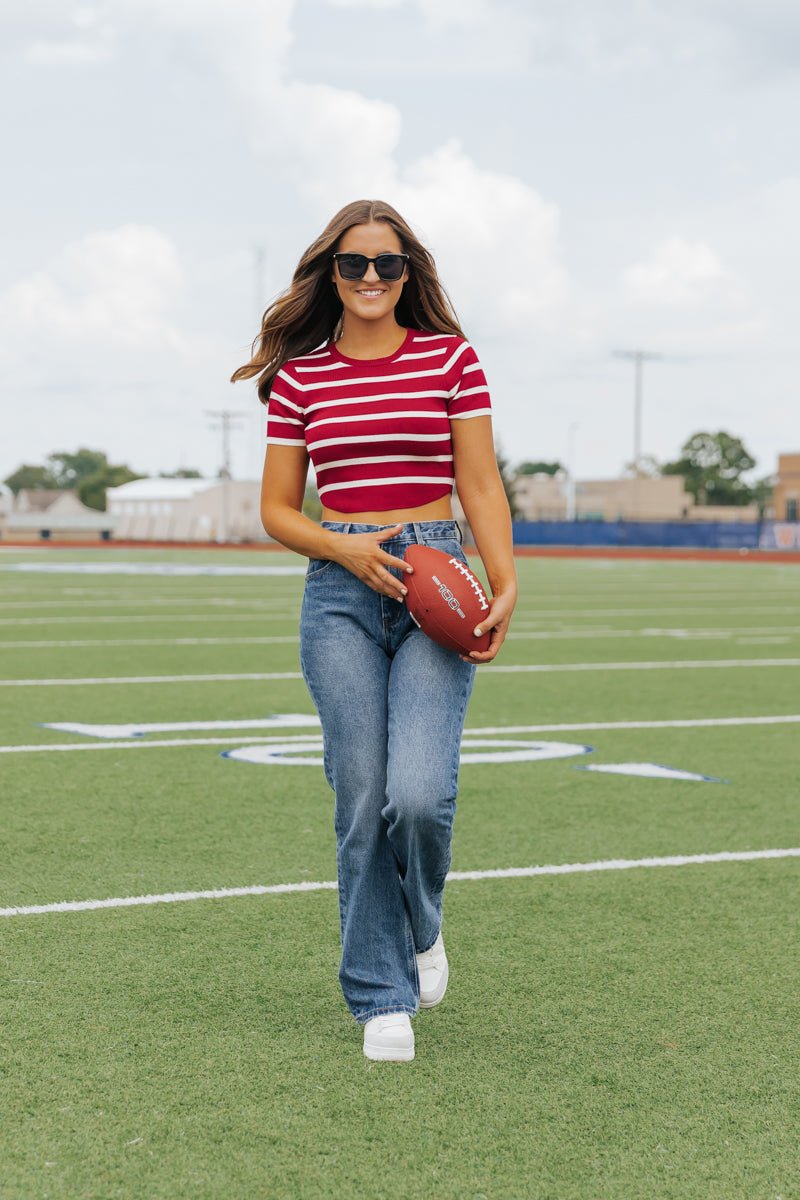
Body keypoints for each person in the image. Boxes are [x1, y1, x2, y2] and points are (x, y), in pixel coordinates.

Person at [232, 199, 517, 1061]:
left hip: (438, 578)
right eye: (351, 265)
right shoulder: (300, 377)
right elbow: (278, 511)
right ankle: (379, 993)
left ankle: (422, 925)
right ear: (329, 274)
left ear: (408, 274)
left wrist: (506, 580)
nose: (367, 279)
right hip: (341, 591)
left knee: (419, 797)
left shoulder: (451, 359)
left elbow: (481, 483)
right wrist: (346, 549)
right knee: (361, 800)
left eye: (385, 265)